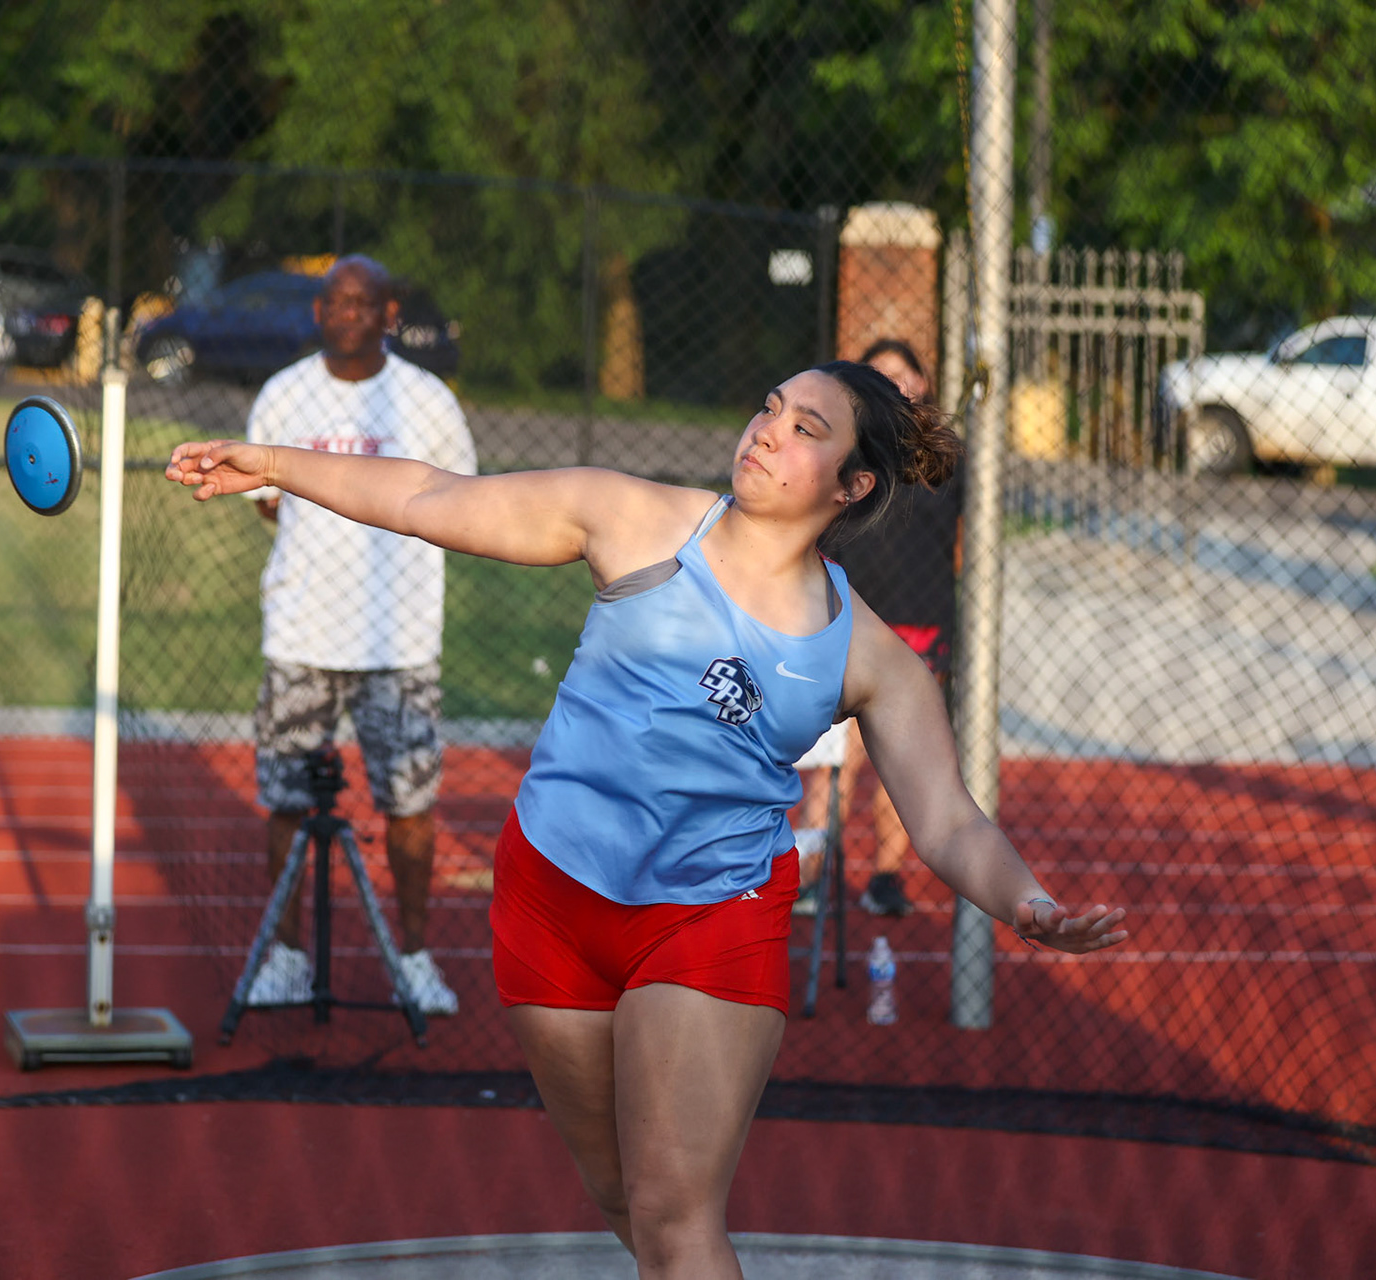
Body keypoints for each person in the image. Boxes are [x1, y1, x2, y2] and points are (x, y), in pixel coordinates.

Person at [165, 361, 1127, 1278]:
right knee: (626, 1200)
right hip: (548, 900)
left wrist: (1025, 903)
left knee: (674, 1216)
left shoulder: (870, 655)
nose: (767, 432)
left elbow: (951, 826)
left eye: (806, 431)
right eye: (769, 408)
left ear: (851, 484)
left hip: (709, 919)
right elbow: (425, 499)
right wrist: (276, 465)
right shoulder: (636, 519)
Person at [240, 255, 476, 1016]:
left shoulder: (427, 400)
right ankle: (283, 957)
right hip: (303, 635)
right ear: (319, 314)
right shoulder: (284, 395)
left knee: (408, 804)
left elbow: (461, 501)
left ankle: (411, 957)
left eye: (362, 302)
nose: (347, 312)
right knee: (285, 802)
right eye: (334, 301)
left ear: (388, 312)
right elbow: (267, 502)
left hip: (398, 644)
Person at [792, 338, 961, 918]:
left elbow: (965, 548)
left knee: (901, 763)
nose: (895, 385)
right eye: (879, 377)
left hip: (921, 626)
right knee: (833, 762)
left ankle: (887, 876)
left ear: (922, 382)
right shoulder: (853, 457)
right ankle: (811, 871)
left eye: (903, 374)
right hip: (851, 626)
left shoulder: (949, 461)